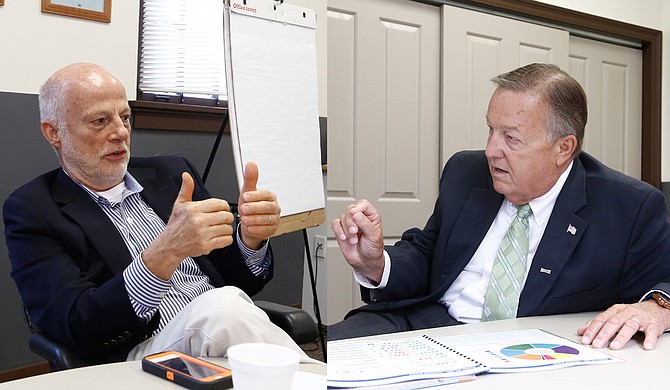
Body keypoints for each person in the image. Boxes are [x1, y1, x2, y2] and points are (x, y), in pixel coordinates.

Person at [330, 63, 670, 350]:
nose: (492, 150)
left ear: (564, 148)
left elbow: (664, 285)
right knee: (318, 362)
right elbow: (429, 254)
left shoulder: (630, 205)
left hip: (532, 348)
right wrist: (377, 263)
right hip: (422, 324)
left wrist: (658, 309)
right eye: (491, 130)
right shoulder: (466, 171)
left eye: (512, 138)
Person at [4, 63, 314, 363]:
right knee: (221, 309)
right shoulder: (33, 210)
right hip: (142, 352)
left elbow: (238, 282)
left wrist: (250, 240)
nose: (120, 132)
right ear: (53, 132)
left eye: (125, 117)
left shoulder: (172, 173)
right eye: (99, 121)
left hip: (225, 336)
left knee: (226, 309)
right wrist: (165, 254)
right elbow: (77, 323)